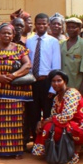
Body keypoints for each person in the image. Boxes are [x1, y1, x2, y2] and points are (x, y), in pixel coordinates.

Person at [0, 23, 32, 159]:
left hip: (14, 91)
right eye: (4, 33)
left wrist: (13, 76)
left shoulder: (20, 49)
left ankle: (16, 151)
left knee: (15, 121)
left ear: (13, 35)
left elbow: (27, 65)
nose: (6, 35)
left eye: (9, 33)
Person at [31, 70, 83, 164]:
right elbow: (54, 116)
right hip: (71, 124)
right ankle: (62, 150)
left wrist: (46, 122)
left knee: (50, 127)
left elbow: (67, 116)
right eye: (53, 81)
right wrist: (42, 122)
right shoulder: (56, 98)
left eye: (59, 80)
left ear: (65, 81)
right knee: (46, 125)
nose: (56, 84)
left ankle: (73, 153)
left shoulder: (71, 93)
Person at [25, 13, 61, 148]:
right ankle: (36, 143)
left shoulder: (53, 42)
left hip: (47, 82)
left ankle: (47, 143)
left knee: (47, 114)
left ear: (48, 25)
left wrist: (53, 88)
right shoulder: (29, 41)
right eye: (38, 23)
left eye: (44, 23)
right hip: (33, 82)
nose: (41, 26)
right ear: (35, 25)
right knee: (33, 114)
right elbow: (28, 63)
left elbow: (56, 65)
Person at [60, 17, 83, 100]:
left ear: (80, 29)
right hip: (62, 87)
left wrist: (81, 90)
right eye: (68, 27)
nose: (70, 29)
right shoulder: (62, 45)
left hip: (76, 86)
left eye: (74, 27)